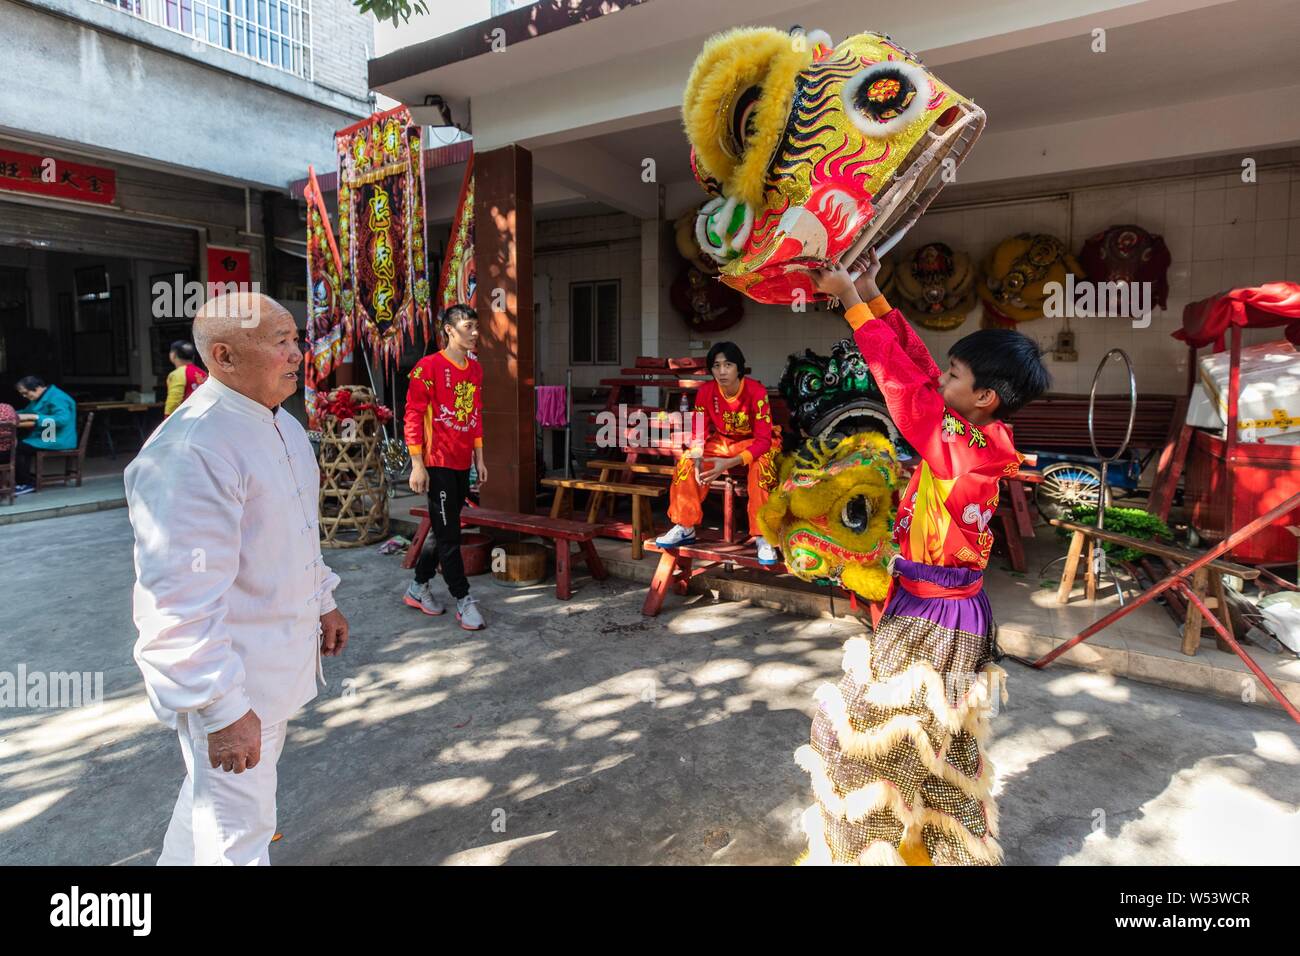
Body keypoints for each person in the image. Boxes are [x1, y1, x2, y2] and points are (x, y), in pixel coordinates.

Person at [798, 251, 1049, 866]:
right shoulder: (982, 432)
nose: (944, 380)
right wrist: (873, 294)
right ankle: (938, 851)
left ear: (984, 396)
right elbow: (924, 370)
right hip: (947, 613)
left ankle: (867, 853)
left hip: (928, 626)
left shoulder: (958, 447)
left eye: (957, 377)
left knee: (874, 747)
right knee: (940, 748)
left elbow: (905, 389)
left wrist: (853, 308)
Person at [125, 292, 348, 866]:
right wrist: (221, 709)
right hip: (232, 680)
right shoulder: (192, 449)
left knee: (212, 809)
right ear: (223, 356)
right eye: (281, 343)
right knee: (238, 835)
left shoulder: (283, 427)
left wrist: (322, 598)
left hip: (271, 665)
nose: (299, 354)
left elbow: (297, 529)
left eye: (296, 339)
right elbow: (175, 604)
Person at [654, 341, 782, 564]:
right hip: (723, 442)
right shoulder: (706, 392)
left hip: (756, 444)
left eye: (728, 365)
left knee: (762, 468)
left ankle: (764, 536)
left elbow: (763, 440)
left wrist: (730, 463)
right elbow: (699, 432)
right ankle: (685, 526)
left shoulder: (756, 391)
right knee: (686, 462)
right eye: (716, 366)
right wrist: (696, 455)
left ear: (739, 367)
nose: (722, 371)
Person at [403, 303, 487, 630]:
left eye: (476, 327)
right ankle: (463, 599)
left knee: (445, 529)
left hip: (462, 461)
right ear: (450, 330)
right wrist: (416, 465)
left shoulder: (476, 370)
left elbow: (475, 415)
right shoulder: (428, 367)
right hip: (435, 462)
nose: (475, 333)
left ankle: (417, 586)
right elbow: (412, 416)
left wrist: (479, 459)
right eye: (468, 327)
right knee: (449, 534)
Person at [14, 375, 77, 495]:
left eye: (26, 393)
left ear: (37, 388)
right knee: (18, 445)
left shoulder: (57, 397)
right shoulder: (41, 397)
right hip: (45, 436)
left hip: (57, 438)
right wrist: (9, 414)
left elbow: (62, 419)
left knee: (18, 448)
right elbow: (26, 412)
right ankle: (22, 479)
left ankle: (25, 483)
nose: (24, 396)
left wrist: (34, 417)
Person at [164, 340, 208, 416]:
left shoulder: (177, 374)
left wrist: (167, 418)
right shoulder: (203, 373)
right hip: (203, 416)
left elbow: (174, 402)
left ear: (173, 355)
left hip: (184, 418)